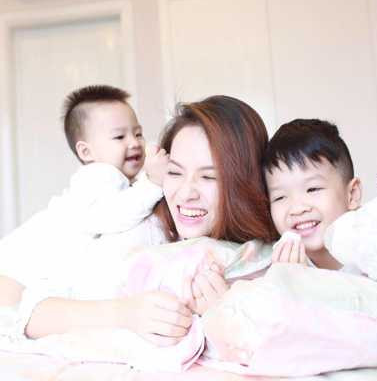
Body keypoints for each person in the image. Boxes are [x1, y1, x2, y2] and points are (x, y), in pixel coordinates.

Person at [0, 94, 276, 345]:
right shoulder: (143, 227)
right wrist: (126, 313)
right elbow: (32, 315)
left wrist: (228, 320)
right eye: (174, 173)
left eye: (208, 177)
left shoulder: (266, 256)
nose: (185, 193)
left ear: (245, 180)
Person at [263, 119, 362, 269]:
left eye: (313, 189)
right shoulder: (275, 267)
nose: (297, 209)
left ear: (352, 194)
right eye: (280, 197)